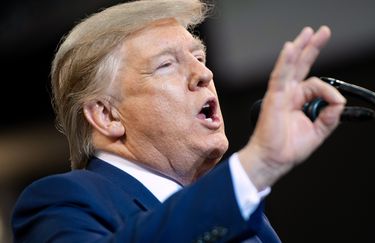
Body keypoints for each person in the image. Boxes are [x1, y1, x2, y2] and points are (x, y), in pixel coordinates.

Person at [12, 0, 346, 242]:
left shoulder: (244, 213)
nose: (204, 73)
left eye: (199, 57)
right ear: (107, 115)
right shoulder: (62, 200)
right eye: (167, 65)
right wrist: (256, 166)